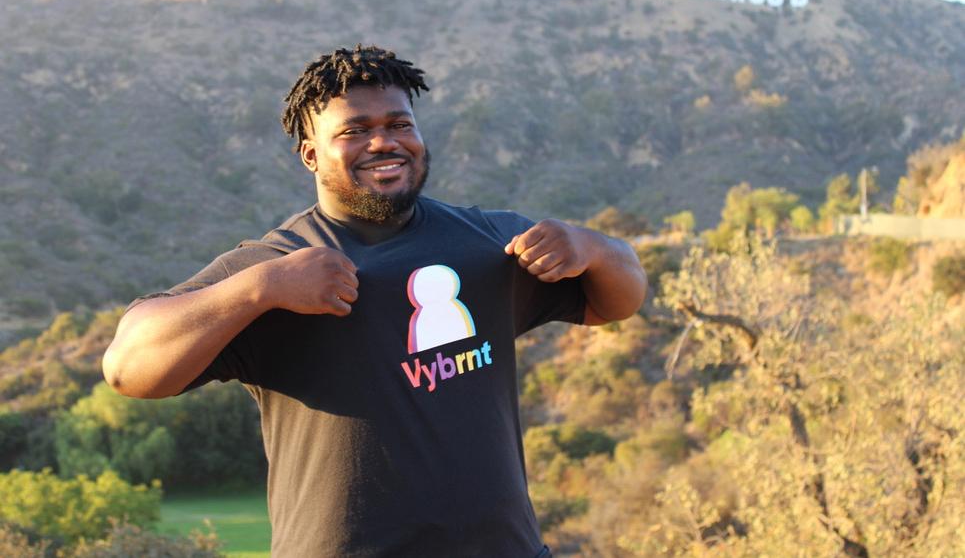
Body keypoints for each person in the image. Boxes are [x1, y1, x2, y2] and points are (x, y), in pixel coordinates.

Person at [103, 45, 647, 558]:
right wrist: (259, 289)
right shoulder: (276, 265)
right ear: (311, 155)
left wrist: (593, 247)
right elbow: (129, 369)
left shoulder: (486, 242)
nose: (383, 142)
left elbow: (613, 303)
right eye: (355, 130)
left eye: (398, 125)